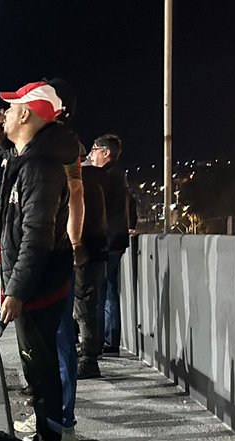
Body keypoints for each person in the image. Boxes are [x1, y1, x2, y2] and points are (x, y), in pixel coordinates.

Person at [0, 81, 83, 441]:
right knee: (39, 372)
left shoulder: (40, 167)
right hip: (37, 286)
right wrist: (2, 141)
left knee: (42, 374)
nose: (6, 115)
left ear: (27, 115)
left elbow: (37, 236)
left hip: (37, 289)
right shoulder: (32, 159)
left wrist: (16, 289)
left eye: (12, 109)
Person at [89, 134, 130, 355]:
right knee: (111, 293)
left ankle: (97, 343)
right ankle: (111, 342)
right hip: (117, 240)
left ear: (106, 152)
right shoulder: (118, 174)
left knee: (99, 293)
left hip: (107, 241)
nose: (91, 154)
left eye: (94, 149)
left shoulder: (107, 175)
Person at [74, 160, 109, 380]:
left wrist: (76, 245)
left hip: (83, 252)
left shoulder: (80, 183)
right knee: (89, 304)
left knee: (84, 306)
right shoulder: (96, 181)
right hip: (97, 249)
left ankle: (89, 359)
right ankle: (88, 355)